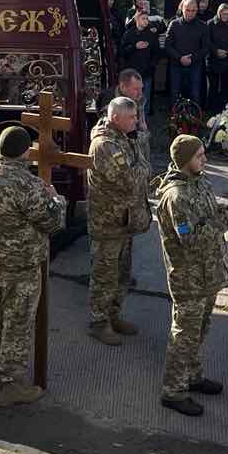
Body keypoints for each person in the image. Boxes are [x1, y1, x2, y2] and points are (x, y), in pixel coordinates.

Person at [0, 125, 67, 405]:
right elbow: (52, 222)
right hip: (21, 266)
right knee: (17, 325)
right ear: (25, 151)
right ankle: (11, 385)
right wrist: (56, 199)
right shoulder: (27, 185)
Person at [153, 133, 228, 416]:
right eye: (199, 155)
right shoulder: (176, 196)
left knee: (200, 329)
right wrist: (225, 221)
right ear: (184, 160)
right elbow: (190, 238)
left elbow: (207, 209)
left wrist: (223, 209)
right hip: (189, 278)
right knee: (185, 334)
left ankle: (192, 375)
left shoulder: (199, 180)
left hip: (207, 273)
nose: (205, 159)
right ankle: (173, 391)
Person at [87, 96, 151, 346]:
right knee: (105, 274)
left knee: (122, 273)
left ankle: (114, 315)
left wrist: (140, 165)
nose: (136, 121)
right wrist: (143, 166)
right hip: (108, 221)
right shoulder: (105, 144)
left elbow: (138, 171)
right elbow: (129, 178)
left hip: (125, 218)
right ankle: (98, 322)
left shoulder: (125, 137)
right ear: (116, 118)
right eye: (131, 117)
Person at [166, 0, 207, 108]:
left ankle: (195, 119)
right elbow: (168, 46)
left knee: (195, 93)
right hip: (176, 64)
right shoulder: (174, 24)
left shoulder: (203, 26)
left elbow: (205, 48)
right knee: (175, 93)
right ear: (182, 9)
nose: (190, 13)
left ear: (197, 10)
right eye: (188, 10)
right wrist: (180, 58)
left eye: (193, 10)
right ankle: (174, 119)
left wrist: (192, 59)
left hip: (195, 65)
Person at [118, 9, 159, 115]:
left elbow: (156, 52)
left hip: (146, 72)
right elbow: (121, 52)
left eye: (147, 19)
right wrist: (135, 47)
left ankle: (143, 123)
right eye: (143, 18)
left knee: (145, 100)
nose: (146, 21)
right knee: (130, 99)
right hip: (132, 72)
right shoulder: (129, 34)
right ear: (137, 19)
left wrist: (152, 66)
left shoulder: (151, 34)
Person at [204, 2, 228, 113]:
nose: (225, 16)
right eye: (223, 14)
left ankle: (224, 110)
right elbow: (207, 41)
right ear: (219, 13)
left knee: (226, 87)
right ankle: (211, 110)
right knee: (213, 87)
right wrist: (216, 51)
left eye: (227, 14)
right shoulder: (210, 24)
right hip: (213, 60)